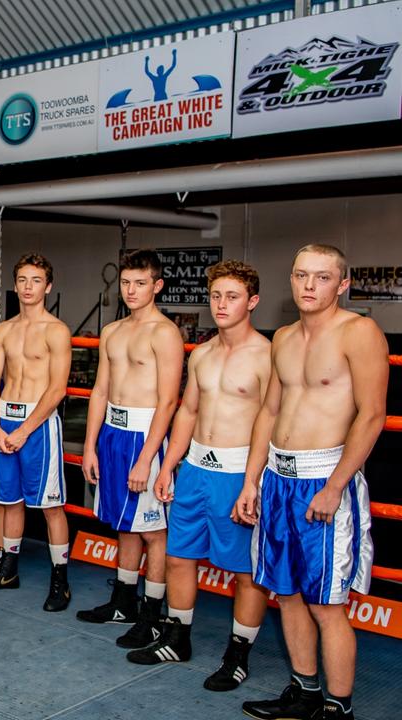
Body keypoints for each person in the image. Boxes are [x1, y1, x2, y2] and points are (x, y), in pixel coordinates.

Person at [236, 245, 384, 720]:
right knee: (289, 593)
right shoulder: (282, 337)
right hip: (278, 477)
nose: (308, 286)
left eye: (322, 278)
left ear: (342, 284)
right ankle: (304, 691)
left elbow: (373, 414)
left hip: (325, 477)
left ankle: (338, 708)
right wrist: (251, 480)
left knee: (327, 604)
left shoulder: (358, 332)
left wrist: (336, 485)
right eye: (301, 275)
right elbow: (271, 412)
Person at [125, 260, 270, 691]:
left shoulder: (267, 355)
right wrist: (169, 464)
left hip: (237, 470)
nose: (222, 304)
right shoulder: (203, 352)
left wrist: (253, 480)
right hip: (194, 469)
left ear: (253, 301)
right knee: (178, 557)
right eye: (216, 296)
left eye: (233, 296)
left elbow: (271, 420)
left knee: (245, 571)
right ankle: (177, 638)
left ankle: (237, 655)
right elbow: (188, 410)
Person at [78, 250, 184, 645]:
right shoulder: (113, 331)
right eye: (126, 283)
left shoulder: (165, 332)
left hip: (145, 437)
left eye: (140, 283)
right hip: (112, 433)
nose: (131, 290)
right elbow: (100, 389)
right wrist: (90, 446)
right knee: (125, 522)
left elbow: (169, 400)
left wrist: (146, 458)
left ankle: (152, 615)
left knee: (154, 530)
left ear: (157, 285)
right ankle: (123, 601)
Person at [0, 255, 73, 612]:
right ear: (14, 284)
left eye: (36, 280)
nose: (28, 286)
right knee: (8, 501)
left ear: (47, 286)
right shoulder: (4, 330)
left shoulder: (56, 330)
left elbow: (58, 388)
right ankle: (8, 570)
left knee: (51, 506)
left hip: (38, 425)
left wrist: (24, 430)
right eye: (22, 279)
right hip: (4, 421)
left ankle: (60, 580)